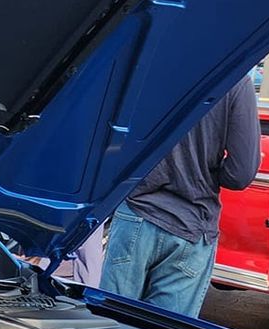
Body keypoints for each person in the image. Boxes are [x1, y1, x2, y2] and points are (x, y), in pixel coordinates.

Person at [100, 83, 260, 315]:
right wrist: (207, 172)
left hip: (135, 211)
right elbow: (241, 174)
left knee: (109, 326)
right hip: (192, 221)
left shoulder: (150, 60)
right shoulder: (236, 79)